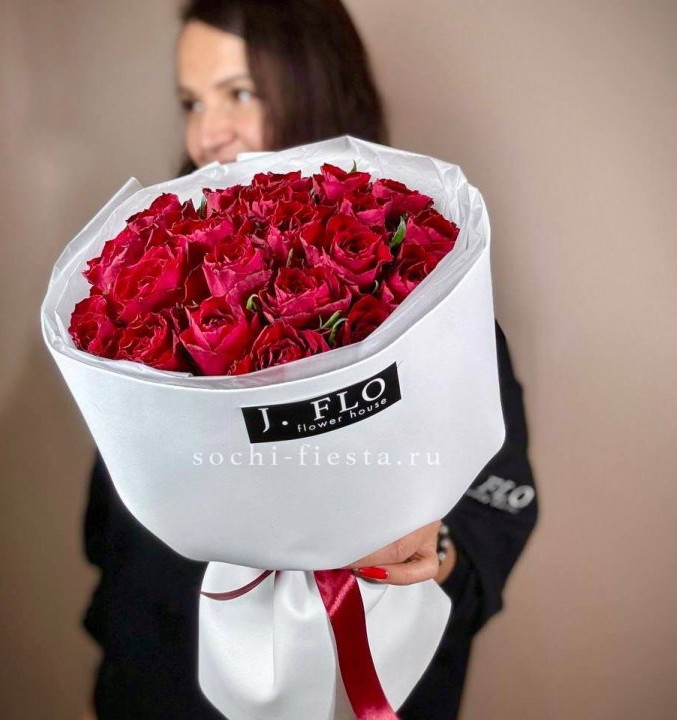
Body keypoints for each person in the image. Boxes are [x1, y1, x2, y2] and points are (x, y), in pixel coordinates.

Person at [81, 1, 539, 718]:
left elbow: (493, 519)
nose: (207, 133)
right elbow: (116, 536)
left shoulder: (436, 320)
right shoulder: (162, 317)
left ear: (317, 88)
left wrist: (428, 545)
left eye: (240, 93)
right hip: (158, 683)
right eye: (191, 102)